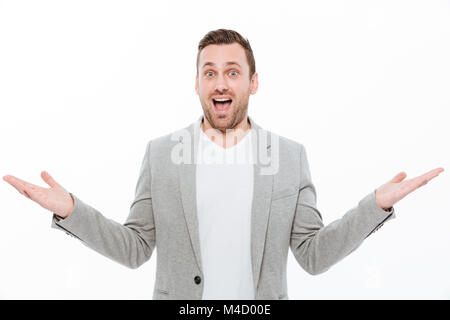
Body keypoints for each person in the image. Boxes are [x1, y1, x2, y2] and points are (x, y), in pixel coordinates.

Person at [3, 29, 444, 300]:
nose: (220, 81)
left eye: (233, 71)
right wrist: (70, 211)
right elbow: (135, 248)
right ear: (197, 83)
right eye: (209, 71)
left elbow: (313, 255)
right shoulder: (161, 153)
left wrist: (376, 206)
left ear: (252, 82)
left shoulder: (289, 156)